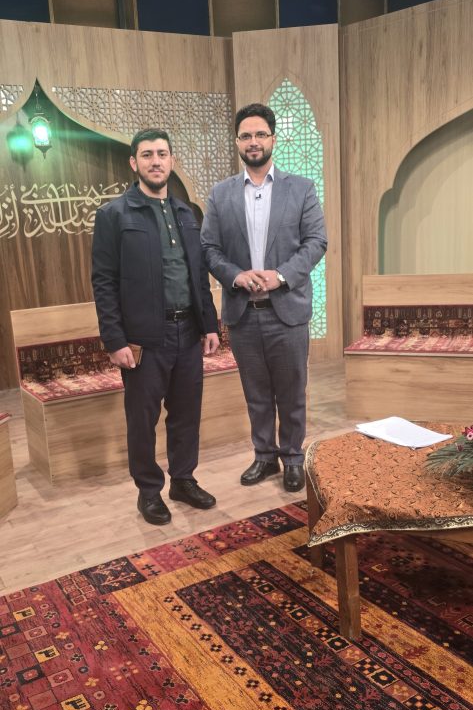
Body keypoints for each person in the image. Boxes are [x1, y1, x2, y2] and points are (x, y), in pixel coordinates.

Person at [92, 128, 219, 525]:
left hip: (188, 333)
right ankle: (149, 492)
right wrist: (114, 339)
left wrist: (210, 325)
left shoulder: (185, 214)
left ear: (172, 160)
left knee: (186, 414)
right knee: (142, 420)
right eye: (147, 155)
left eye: (162, 154)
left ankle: (183, 480)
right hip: (144, 339)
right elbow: (104, 281)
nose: (156, 161)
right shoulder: (115, 215)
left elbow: (198, 274)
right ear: (134, 163)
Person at [201, 102, 327, 493]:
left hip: (287, 312)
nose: (253, 141)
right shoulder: (220, 194)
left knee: (291, 392)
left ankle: (293, 458)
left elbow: (316, 241)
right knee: (256, 394)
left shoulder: (301, 188)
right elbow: (208, 248)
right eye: (245, 136)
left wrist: (280, 275)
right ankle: (264, 456)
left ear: (273, 138)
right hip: (243, 314)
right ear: (237, 142)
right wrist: (235, 276)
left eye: (260, 134)